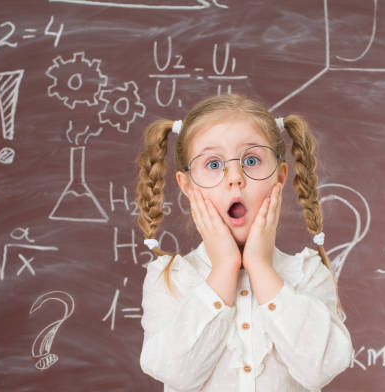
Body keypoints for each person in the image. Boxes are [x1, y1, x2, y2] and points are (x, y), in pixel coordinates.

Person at [136, 94, 352, 391]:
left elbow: (322, 368)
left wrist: (261, 267)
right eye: (213, 164)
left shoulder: (308, 273)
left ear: (279, 177)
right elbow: (176, 374)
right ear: (187, 185)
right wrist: (225, 267)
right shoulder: (169, 278)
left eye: (252, 160)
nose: (235, 177)